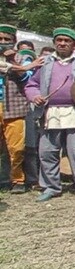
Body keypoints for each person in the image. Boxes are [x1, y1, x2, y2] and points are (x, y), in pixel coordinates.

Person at [25, 27, 75, 202]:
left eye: (66, 41)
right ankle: (50, 187)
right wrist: (35, 96)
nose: (62, 43)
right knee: (48, 151)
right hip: (50, 112)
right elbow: (31, 84)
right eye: (59, 40)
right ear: (54, 43)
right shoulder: (45, 63)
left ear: (74, 44)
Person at [0, 24, 41, 193]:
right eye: (0, 39)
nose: (3, 42)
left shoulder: (24, 58)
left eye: (7, 39)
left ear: (14, 41)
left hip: (15, 107)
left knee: (16, 148)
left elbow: (26, 77)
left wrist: (13, 62)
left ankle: (18, 180)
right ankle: (3, 179)